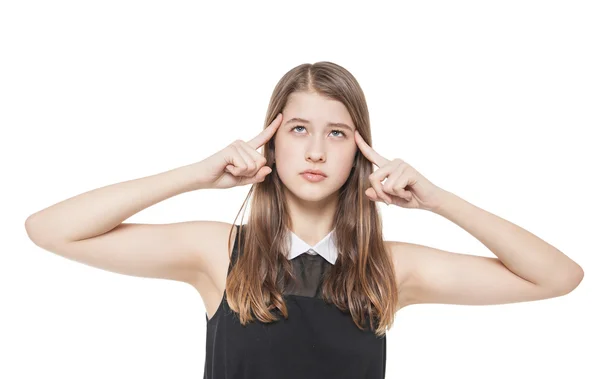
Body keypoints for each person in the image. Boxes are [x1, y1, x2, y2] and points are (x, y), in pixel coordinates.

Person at [24, 61, 584, 378]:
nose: (316, 151)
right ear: (272, 140)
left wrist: (438, 199)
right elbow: (50, 229)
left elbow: (558, 277)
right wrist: (196, 174)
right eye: (298, 129)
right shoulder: (218, 254)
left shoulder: (387, 270)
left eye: (336, 133)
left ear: (360, 150)